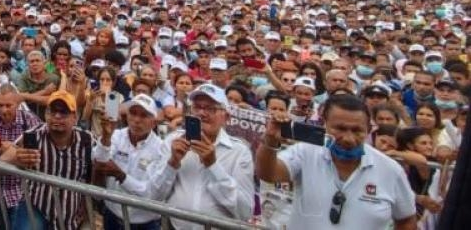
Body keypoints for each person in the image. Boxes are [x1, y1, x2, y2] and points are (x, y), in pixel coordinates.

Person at [257, 94, 417, 229]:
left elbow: (407, 219)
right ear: (324, 124)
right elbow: (268, 174)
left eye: (357, 130)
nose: (348, 138)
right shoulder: (306, 152)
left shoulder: (390, 170)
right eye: (339, 129)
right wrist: (270, 141)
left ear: (368, 129)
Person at [147, 83, 255, 230]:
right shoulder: (173, 142)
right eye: (197, 107)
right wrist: (172, 163)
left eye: (211, 108)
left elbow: (244, 211)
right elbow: (153, 197)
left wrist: (213, 166)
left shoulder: (239, 152)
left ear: (226, 117)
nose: (202, 113)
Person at [2, 90, 94, 230]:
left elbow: (96, 174)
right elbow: (3, 159)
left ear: (75, 117)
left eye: (63, 112)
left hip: (69, 213)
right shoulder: (34, 134)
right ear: (45, 114)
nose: (57, 116)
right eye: (52, 111)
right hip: (36, 206)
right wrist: (17, 158)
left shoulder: (87, 140)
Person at [0, 84, 42, 230]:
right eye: (1, 105)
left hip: (22, 192)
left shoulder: (30, 121)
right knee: (3, 226)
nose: (4, 110)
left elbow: (41, 153)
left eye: (9, 105)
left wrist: (12, 149)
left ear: (17, 104)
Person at [93, 94, 165, 230]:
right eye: (133, 113)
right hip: (112, 216)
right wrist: (106, 137)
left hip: (144, 224)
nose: (137, 120)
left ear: (154, 122)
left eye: (144, 115)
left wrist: (121, 175)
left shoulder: (161, 148)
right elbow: (98, 161)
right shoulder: (116, 135)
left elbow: (151, 192)